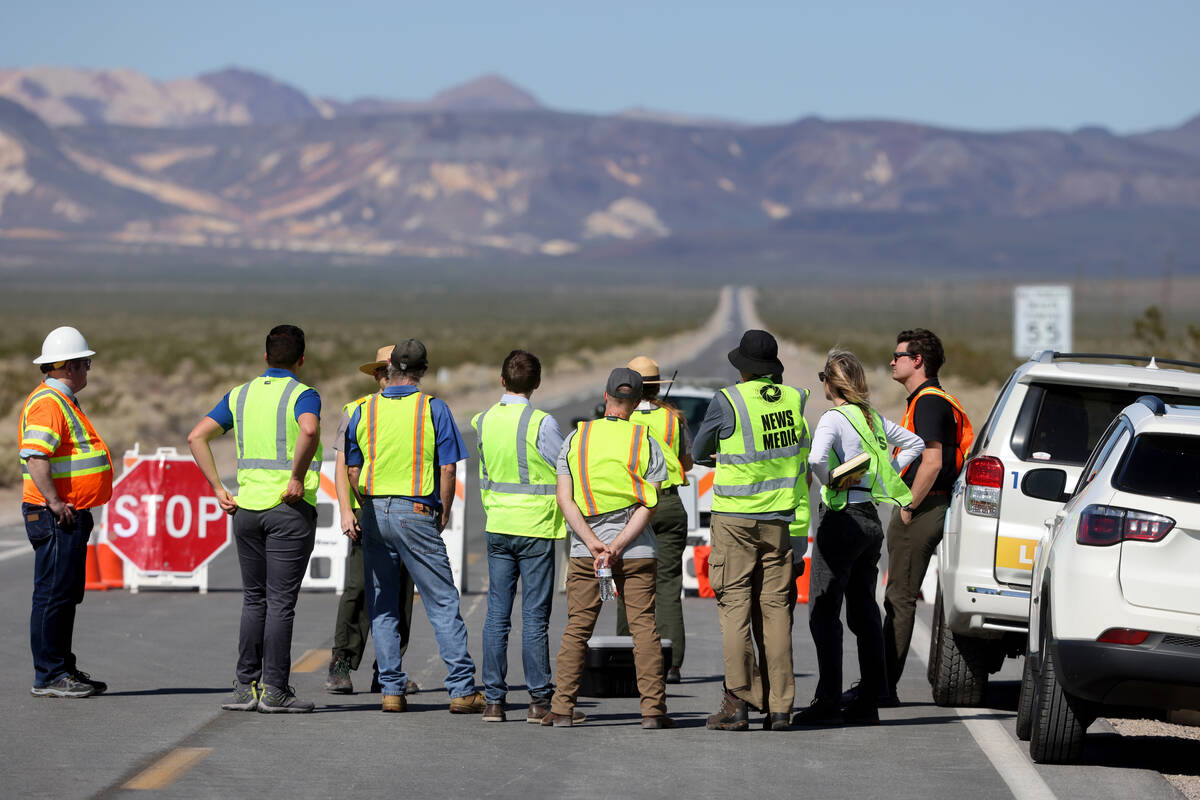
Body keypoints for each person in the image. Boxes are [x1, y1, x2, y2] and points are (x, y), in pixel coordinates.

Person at [344, 339, 484, 714]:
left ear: (388, 370)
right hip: (416, 510)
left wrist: (369, 504)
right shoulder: (433, 408)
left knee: (383, 604)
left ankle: (391, 689)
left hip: (374, 510)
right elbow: (449, 468)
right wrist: (445, 509)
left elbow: (352, 469)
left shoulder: (364, 409)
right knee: (441, 601)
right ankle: (461, 689)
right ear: (422, 371)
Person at [189, 324, 323, 713]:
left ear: (265, 358)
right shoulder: (303, 394)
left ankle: (245, 687)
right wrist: (296, 476)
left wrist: (217, 486)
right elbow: (310, 429)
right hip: (288, 509)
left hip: (246, 509)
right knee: (281, 602)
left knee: (254, 599)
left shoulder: (239, 395)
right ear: (301, 359)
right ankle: (276, 690)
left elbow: (197, 436)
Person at [793, 349, 924, 727]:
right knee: (864, 610)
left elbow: (817, 459)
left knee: (823, 610)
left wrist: (831, 481)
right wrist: (887, 477)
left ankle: (828, 699)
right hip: (870, 518)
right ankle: (870, 698)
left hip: (841, 516)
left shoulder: (834, 418)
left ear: (831, 382)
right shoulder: (871, 418)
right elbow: (915, 443)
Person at [693, 330, 811, 732]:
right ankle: (781, 707)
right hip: (778, 519)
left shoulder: (729, 400)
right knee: (776, 612)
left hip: (734, 520)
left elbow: (699, 448)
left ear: (743, 368)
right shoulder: (795, 400)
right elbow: (801, 455)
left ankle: (740, 702)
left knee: (734, 608)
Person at [544, 367, 673, 729]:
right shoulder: (645, 441)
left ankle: (562, 709)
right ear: (636, 403)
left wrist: (593, 542)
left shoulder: (576, 438)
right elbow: (649, 504)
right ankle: (652, 711)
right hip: (635, 552)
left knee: (577, 628)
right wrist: (617, 546)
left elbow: (564, 499)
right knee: (644, 628)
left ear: (605, 398)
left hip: (589, 554)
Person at [471, 349, 566, 723]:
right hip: (536, 528)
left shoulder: (483, 420)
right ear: (537, 384)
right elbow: (564, 465)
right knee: (534, 617)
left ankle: (494, 700)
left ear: (501, 380)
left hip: (498, 525)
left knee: (497, 615)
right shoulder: (542, 423)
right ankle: (539, 699)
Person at [20, 326, 113, 698]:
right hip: (56, 514)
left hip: (68, 513)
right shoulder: (48, 403)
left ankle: (62, 667)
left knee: (65, 592)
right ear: (69, 366)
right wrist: (55, 503)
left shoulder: (61, 400)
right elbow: (36, 455)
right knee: (53, 593)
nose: (87, 371)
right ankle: (49, 674)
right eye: (85, 364)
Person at [880, 328, 970, 704]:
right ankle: (883, 683)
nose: (892, 361)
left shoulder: (929, 401)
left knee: (899, 597)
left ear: (917, 361)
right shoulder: (929, 399)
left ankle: (882, 686)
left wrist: (908, 506)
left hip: (925, 504)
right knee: (899, 595)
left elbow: (931, 462)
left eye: (898, 355)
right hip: (931, 502)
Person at [325, 346, 418, 697]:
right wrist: (346, 510)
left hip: (409, 513)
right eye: (379, 371)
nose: (383, 376)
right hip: (368, 511)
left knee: (402, 593)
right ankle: (342, 664)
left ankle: (388, 670)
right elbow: (342, 465)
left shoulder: (419, 409)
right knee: (358, 589)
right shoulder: (357, 411)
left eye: (389, 369)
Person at [616, 355, 692, 684]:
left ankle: (624, 654)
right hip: (670, 503)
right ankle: (672, 664)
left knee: (628, 581)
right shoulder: (674, 419)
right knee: (668, 585)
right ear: (659, 384)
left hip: (633, 507)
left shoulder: (622, 420)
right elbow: (686, 462)